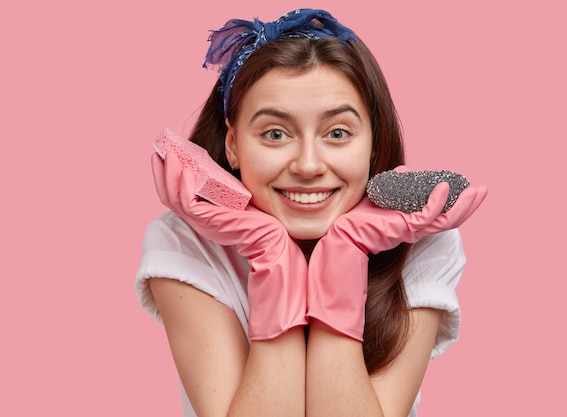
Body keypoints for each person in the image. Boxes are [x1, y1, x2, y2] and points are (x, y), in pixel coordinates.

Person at [136, 8, 487, 417]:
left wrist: (345, 253)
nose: (307, 165)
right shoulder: (184, 242)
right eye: (275, 133)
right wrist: (272, 253)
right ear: (233, 144)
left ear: (373, 144)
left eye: (337, 133)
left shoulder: (424, 242)